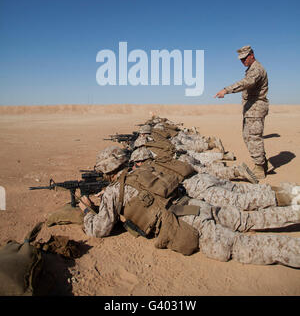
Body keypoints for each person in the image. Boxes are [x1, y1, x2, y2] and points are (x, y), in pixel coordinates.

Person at [78, 149, 300, 268]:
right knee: (247, 220)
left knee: (240, 245)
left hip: (187, 222)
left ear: (106, 171)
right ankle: (295, 210)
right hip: (198, 205)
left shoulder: (114, 192)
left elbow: (100, 229)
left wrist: (87, 210)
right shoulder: (145, 170)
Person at [214, 45, 269, 180]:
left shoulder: (256, 69)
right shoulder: (251, 69)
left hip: (256, 107)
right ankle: (261, 161)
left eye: (245, 58)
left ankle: (260, 167)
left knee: (253, 137)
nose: (243, 61)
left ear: (252, 55)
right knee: (247, 136)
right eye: (241, 60)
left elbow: (246, 83)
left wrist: (226, 90)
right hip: (251, 108)